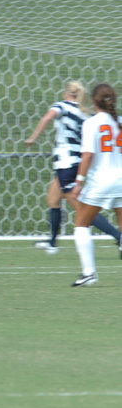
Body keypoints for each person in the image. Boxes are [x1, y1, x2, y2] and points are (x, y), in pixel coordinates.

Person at [25, 80, 120, 254]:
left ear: (66, 93)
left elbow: (47, 117)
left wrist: (33, 137)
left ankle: (118, 237)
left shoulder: (62, 106)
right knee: (53, 199)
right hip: (76, 162)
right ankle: (52, 242)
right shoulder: (85, 112)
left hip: (66, 163)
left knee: (82, 210)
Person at [71, 83, 122, 287]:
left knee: (81, 224)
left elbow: (88, 155)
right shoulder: (119, 122)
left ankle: (89, 273)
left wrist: (79, 181)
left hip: (101, 182)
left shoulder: (91, 123)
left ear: (94, 101)